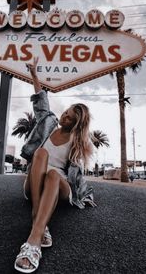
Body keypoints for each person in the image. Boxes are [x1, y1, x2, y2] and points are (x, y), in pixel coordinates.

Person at [14, 57, 96, 273]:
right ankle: (37, 218)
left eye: (69, 117)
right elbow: (41, 103)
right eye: (65, 112)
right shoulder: (49, 124)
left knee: (53, 175)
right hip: (35, 182)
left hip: (58, 185)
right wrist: (34, 76)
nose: (64, 116)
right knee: (40, 153)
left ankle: (33, 240)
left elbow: (77, 174)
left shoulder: (78, 142)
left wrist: (83, 193)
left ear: (76, 123)